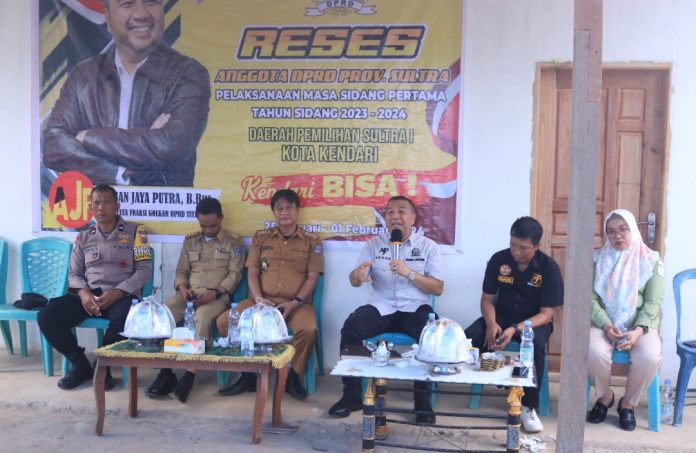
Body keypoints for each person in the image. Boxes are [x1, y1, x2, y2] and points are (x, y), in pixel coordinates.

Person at [41, 0, 210, 187]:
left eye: (152, 2)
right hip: (99, 204)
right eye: (127, 3)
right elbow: (52, 146)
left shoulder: (188, 74)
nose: (141, 14)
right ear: (107, 15)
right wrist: (116, 172)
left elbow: (172, 147)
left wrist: (89, 137)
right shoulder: (83, 76)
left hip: (162, 205)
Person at [329, 196, 444, 423]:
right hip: (381, 307)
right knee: (351, 327)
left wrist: (408, 273)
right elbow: (354, 280)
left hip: (414, 308)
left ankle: (422, 401)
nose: (395, 216)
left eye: (401, 211)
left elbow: (438, 288)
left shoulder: (428, 247)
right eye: (390, 212)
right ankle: (352, 395)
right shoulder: (373, 245)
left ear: (413, 218)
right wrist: (358, 275)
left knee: (431, 334)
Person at [38, 184, 152, 390]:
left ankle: (102, 366)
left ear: (117, 206)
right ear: (90, 207)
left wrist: (117, 292)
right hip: (90, 295)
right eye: (96, 203)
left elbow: (144, 270)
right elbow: (74, 273)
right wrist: (83, 294)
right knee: (47, 315)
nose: (101, 207)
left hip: (122, 295)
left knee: (125, 321)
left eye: (106, 202)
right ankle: (79, 364)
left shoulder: (136, 232)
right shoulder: (83, 236)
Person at [215, 189, 323, 400]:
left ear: (298, 210)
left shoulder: (312, 241)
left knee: (308, 330)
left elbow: (312, 277)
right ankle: (248, 375)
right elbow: (253, 273)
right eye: (279, 208)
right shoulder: (261, 238)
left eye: (289, 207)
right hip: (261, 301)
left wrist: (295, 302)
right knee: (224, 322)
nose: (284, 212)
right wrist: (258, 300)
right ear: (273, 212)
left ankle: (294, 378)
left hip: (296, 304)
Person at [464, 216, 563, 433]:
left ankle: (528, 406)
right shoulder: (499, 260)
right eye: (513, 245)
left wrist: (516, 328)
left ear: (536, 246)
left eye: (523, 248)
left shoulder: (549, 268)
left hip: (534, 322)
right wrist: (491, 324)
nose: (516, 252)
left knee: (535, 347)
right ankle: (492, 380)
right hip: (501, 316)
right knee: (469, 337)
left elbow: (547, 314)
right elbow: (487, 300)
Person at [145, 197, 245, 403]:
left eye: (212, 225)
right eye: (203, 225)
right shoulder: (190, 241)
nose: (207, 230)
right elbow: (181, 271)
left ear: (221, 219)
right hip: (189, 295)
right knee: (163, 313)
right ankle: (166, 372)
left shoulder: (233, 242)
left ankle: (189, 375)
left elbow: (235, 275)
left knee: (203, 318)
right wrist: (182, 289)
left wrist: (216, 292)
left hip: (216, 296)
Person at [586, 209, 662, 431]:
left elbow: (653, 302)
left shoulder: (651, 260)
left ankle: (628, 404)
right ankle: (605, 397)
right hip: (605, 323)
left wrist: (638, 331)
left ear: (633, 230)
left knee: (649, 356)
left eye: (623, 229)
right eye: (611, 232)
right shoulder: (597, 259)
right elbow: (590, 299)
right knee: (592, 350)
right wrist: (607, 326)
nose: (617, 236)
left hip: (640, 325)